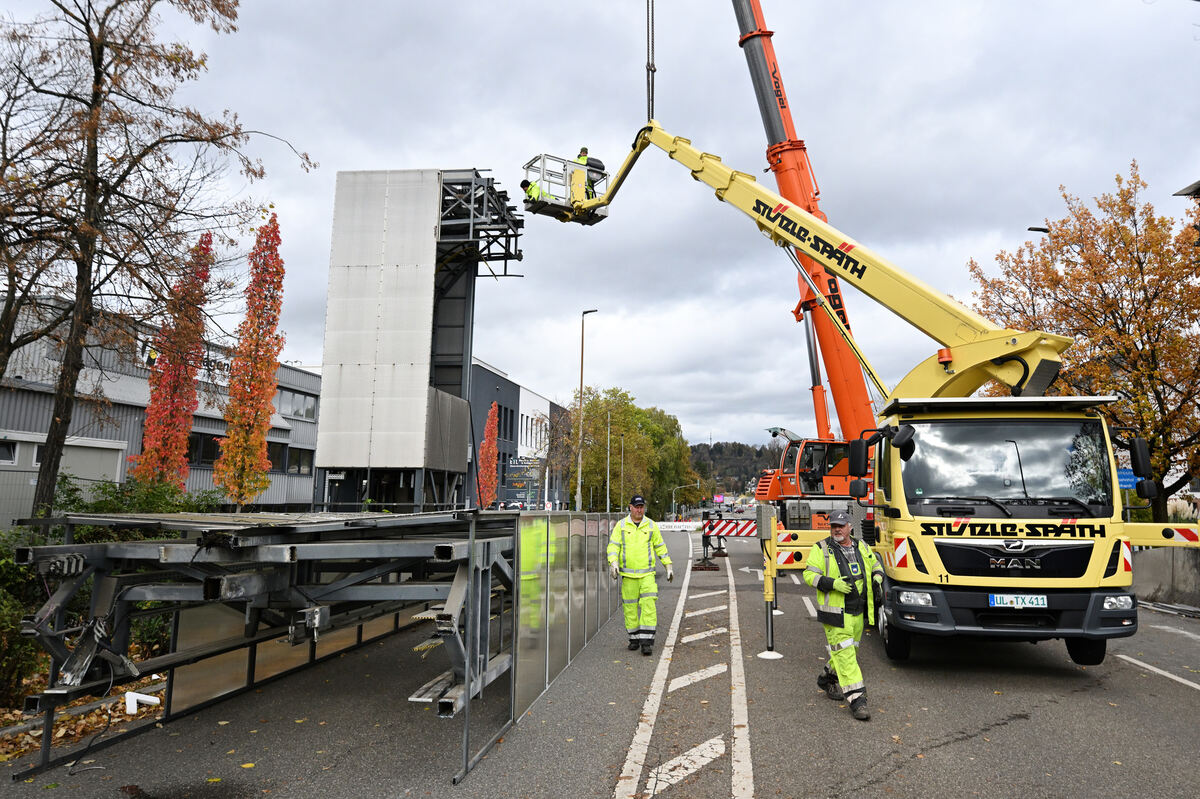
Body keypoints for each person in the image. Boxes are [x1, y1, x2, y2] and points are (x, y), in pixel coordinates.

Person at [802, 509, 884, 721]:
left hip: (858, 612)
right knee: (846, 655)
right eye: (833, 526)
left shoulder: (862, 546)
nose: (836, 529)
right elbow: (809, 575)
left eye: (840, 526)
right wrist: (832, 584)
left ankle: (827, 677)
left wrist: (877, 577)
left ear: (850, 527)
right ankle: (858, 700)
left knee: (848, 651)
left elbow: (876, 564)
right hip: (836, 613)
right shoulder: (821, 548)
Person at [608, 494, 673, 655]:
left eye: (641, 507)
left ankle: (646, 642)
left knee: (648, 606)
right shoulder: (621, 526)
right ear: (630, 507)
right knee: (630, 609)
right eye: (636, 507)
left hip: (647, 575)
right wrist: (613, 563)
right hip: (629, 576)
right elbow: (613, 546)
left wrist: (668, 566)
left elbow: (660, 547)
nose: (639, 509)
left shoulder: (651, 526)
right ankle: (634, 638)